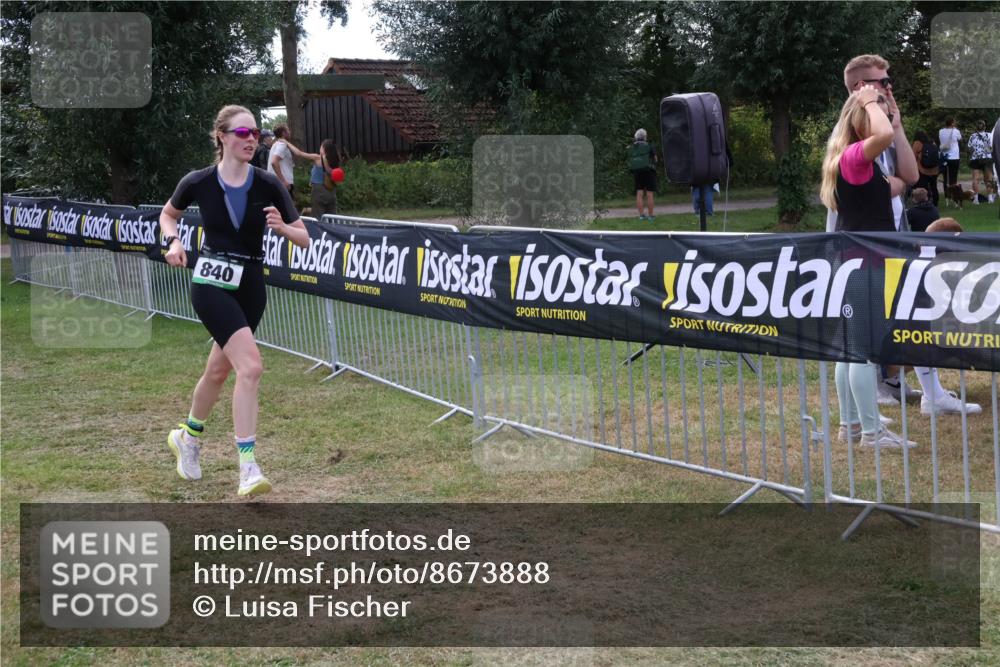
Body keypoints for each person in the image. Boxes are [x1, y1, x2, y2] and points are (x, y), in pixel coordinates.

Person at [159, 105, 311, 496]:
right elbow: (167, 215)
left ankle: (188, 438)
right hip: (210, 281)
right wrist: (173, 241)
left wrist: (282, 228)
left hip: (251, 285)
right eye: (242, 133)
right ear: (222, 136)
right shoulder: (198, 181)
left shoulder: (267, 184)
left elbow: (303, 237)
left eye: (256, 133)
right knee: (252, 367)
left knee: (218, 372)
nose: (251, 139)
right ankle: (248, 466)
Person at [821, 85, 915, 448]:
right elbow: (884, 134)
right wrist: (868, 100)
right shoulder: (855, 158)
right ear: (863, 121)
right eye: (875, 114)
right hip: (863, 265)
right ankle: (872, 433)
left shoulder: (854, 160)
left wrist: (892, 115)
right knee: (860, 350)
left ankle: (851, 426)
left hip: (854, 263)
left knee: (849, 349)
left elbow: (904, 178)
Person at [627, 128, 657, 221]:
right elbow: (655, 159)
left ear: (636, 137)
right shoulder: (650, 146)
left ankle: (641, 216)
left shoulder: (632, 147)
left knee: (639, 194)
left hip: (637, 172)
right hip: (649, 172)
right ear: (645, 137)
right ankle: (651, 216)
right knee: (649, 194)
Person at [308, 139, 340, 217]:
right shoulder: (335, 160)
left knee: (318, 216)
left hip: (319, 191)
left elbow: (299, 153)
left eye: (321, 146)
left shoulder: (318, 158)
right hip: (331, 190)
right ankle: (332, 229)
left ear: (324, 149)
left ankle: (319, 229)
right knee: (332, 217)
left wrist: (287, 143)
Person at [968, 120, 994, 203]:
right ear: (985, 127)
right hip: (987, 159)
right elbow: (991, 149)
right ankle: (990, 198)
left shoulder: (972, 136)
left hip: (975, 159)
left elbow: (970, 149)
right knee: (988, 179)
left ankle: (976, 199)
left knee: (975, 179)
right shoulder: (989, 135)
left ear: (976, 128)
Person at [911, 130, 940, 207]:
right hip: (934, 170)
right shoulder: (932, 143)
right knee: (934, 187)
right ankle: (935, 204)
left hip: (922, 170)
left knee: (923, 187)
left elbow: (912, 157)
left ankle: (924, 202)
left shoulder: (917, 143)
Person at [938, 117, 961, 192]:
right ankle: (954, 195)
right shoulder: (956, 131)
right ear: (952, 123)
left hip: (944, 156)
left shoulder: (941, 131)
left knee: (946, 178)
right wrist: (955, 129)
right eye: (954, 122)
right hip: (954, 157)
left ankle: (947, 196)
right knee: (953, 177)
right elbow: (960, 138)